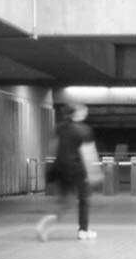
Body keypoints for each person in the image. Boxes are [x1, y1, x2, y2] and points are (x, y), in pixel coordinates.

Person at [36, 103, 103, 241]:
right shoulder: (85, 130)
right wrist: (94, 172)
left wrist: (53, 167)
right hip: (77, 169)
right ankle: (83, 231)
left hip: (60, 168)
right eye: (84, 110)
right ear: (77, 113)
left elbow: (53, 147)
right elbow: (88, 153)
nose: (86, 112)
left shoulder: (60, 128)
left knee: (64, 202)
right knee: (84, 198)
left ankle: (47, 222)